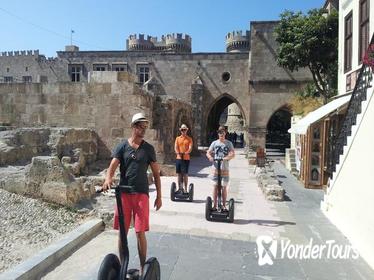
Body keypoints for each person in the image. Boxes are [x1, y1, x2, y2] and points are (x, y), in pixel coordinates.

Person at [102, 112, 162, 274]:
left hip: (141, 194)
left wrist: (159, 195)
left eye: (145, 127)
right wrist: (108, 178)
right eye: (140, 127)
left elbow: (156, 173)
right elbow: (113, 165)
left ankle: (143, 269)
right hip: (124, 194)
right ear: (133, 127)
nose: (143, 130)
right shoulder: (122, 146)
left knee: (139, 232)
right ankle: (122, 269)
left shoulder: (148, 149)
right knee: (122, 233)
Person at [206, 125, 235, 210]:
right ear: (218, 133)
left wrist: (227, 157)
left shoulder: (229, 143)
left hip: (224, 169)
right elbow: (208, 152)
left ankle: (224, 205)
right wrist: (210, 157)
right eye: (219, 132)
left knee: (224, 187)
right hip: (216, 169)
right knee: (215, 186)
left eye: (222, 132)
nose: (221, 134)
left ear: (225, 133)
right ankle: (214, 205)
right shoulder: (214, 143)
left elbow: (232, 154)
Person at [174, 124, 193, 193]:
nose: (183, 131)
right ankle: (179, 188)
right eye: (182, 130)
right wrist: (177, 152)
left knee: (185, 173)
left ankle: (185, 189)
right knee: (179, 174)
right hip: (179, 158)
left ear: (186, 130)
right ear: (180, 131)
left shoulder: (189, 139)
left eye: (184, 130)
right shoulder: (178, 138)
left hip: (186, 158)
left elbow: (190, 148)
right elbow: (175, 147)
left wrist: (187, 152)